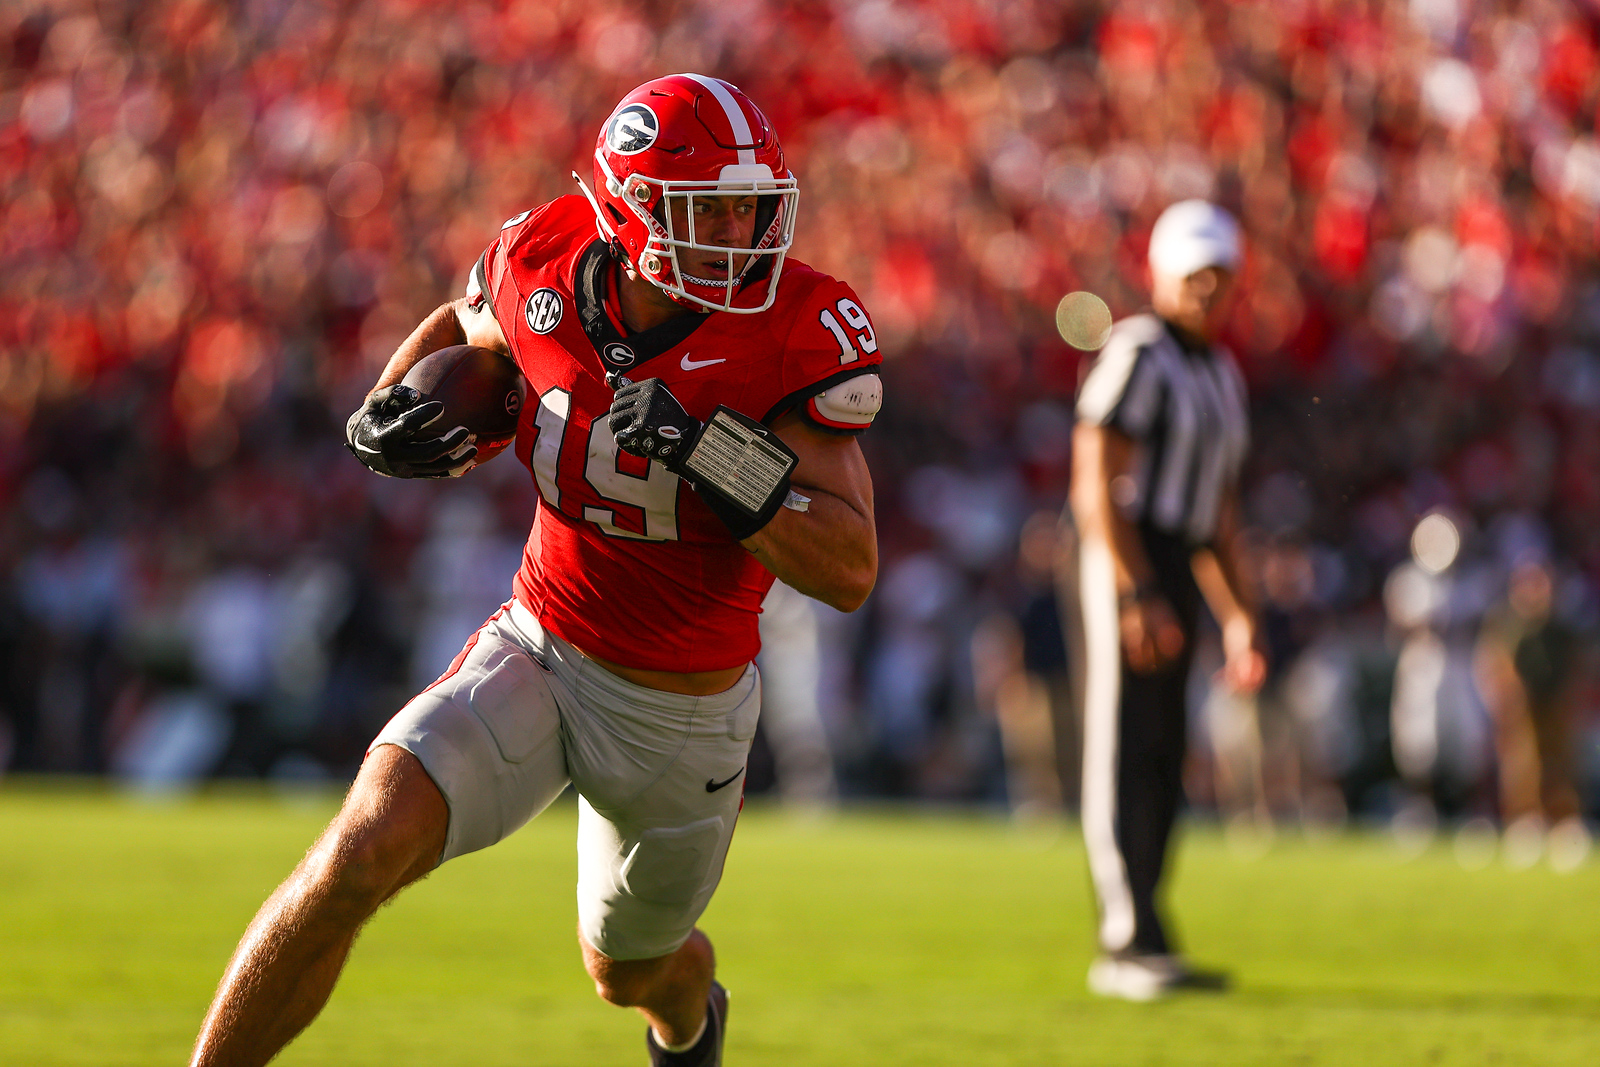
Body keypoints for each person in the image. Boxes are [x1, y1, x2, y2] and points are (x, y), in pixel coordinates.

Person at [188, 73, 883, 1067]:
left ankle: (690, 1016)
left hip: (680, 712)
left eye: (749, 205)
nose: (738, 232)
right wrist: (388, 398)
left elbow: (849, 563)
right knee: (356, 854)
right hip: (542, 647)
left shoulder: (790, 330)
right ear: (624, 209)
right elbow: (465, 323)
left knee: (631, 971)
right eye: (708, 209)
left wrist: (705, 449)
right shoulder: (541, 257)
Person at [1067, 199, 1265, 1001]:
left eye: (1220, 279)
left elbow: (1218, 513)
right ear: (1165, 276)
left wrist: (1239, 612)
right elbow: (1095, 480)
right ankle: (1124, 938)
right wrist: (1133, 587)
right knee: (1121, 747)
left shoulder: (1222, 373)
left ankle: (1150, 923)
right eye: (1196, 277)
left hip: (1176, 559)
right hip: (1127, 554)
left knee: (1163, 750)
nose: (1208, 292)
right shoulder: (1140, 350)